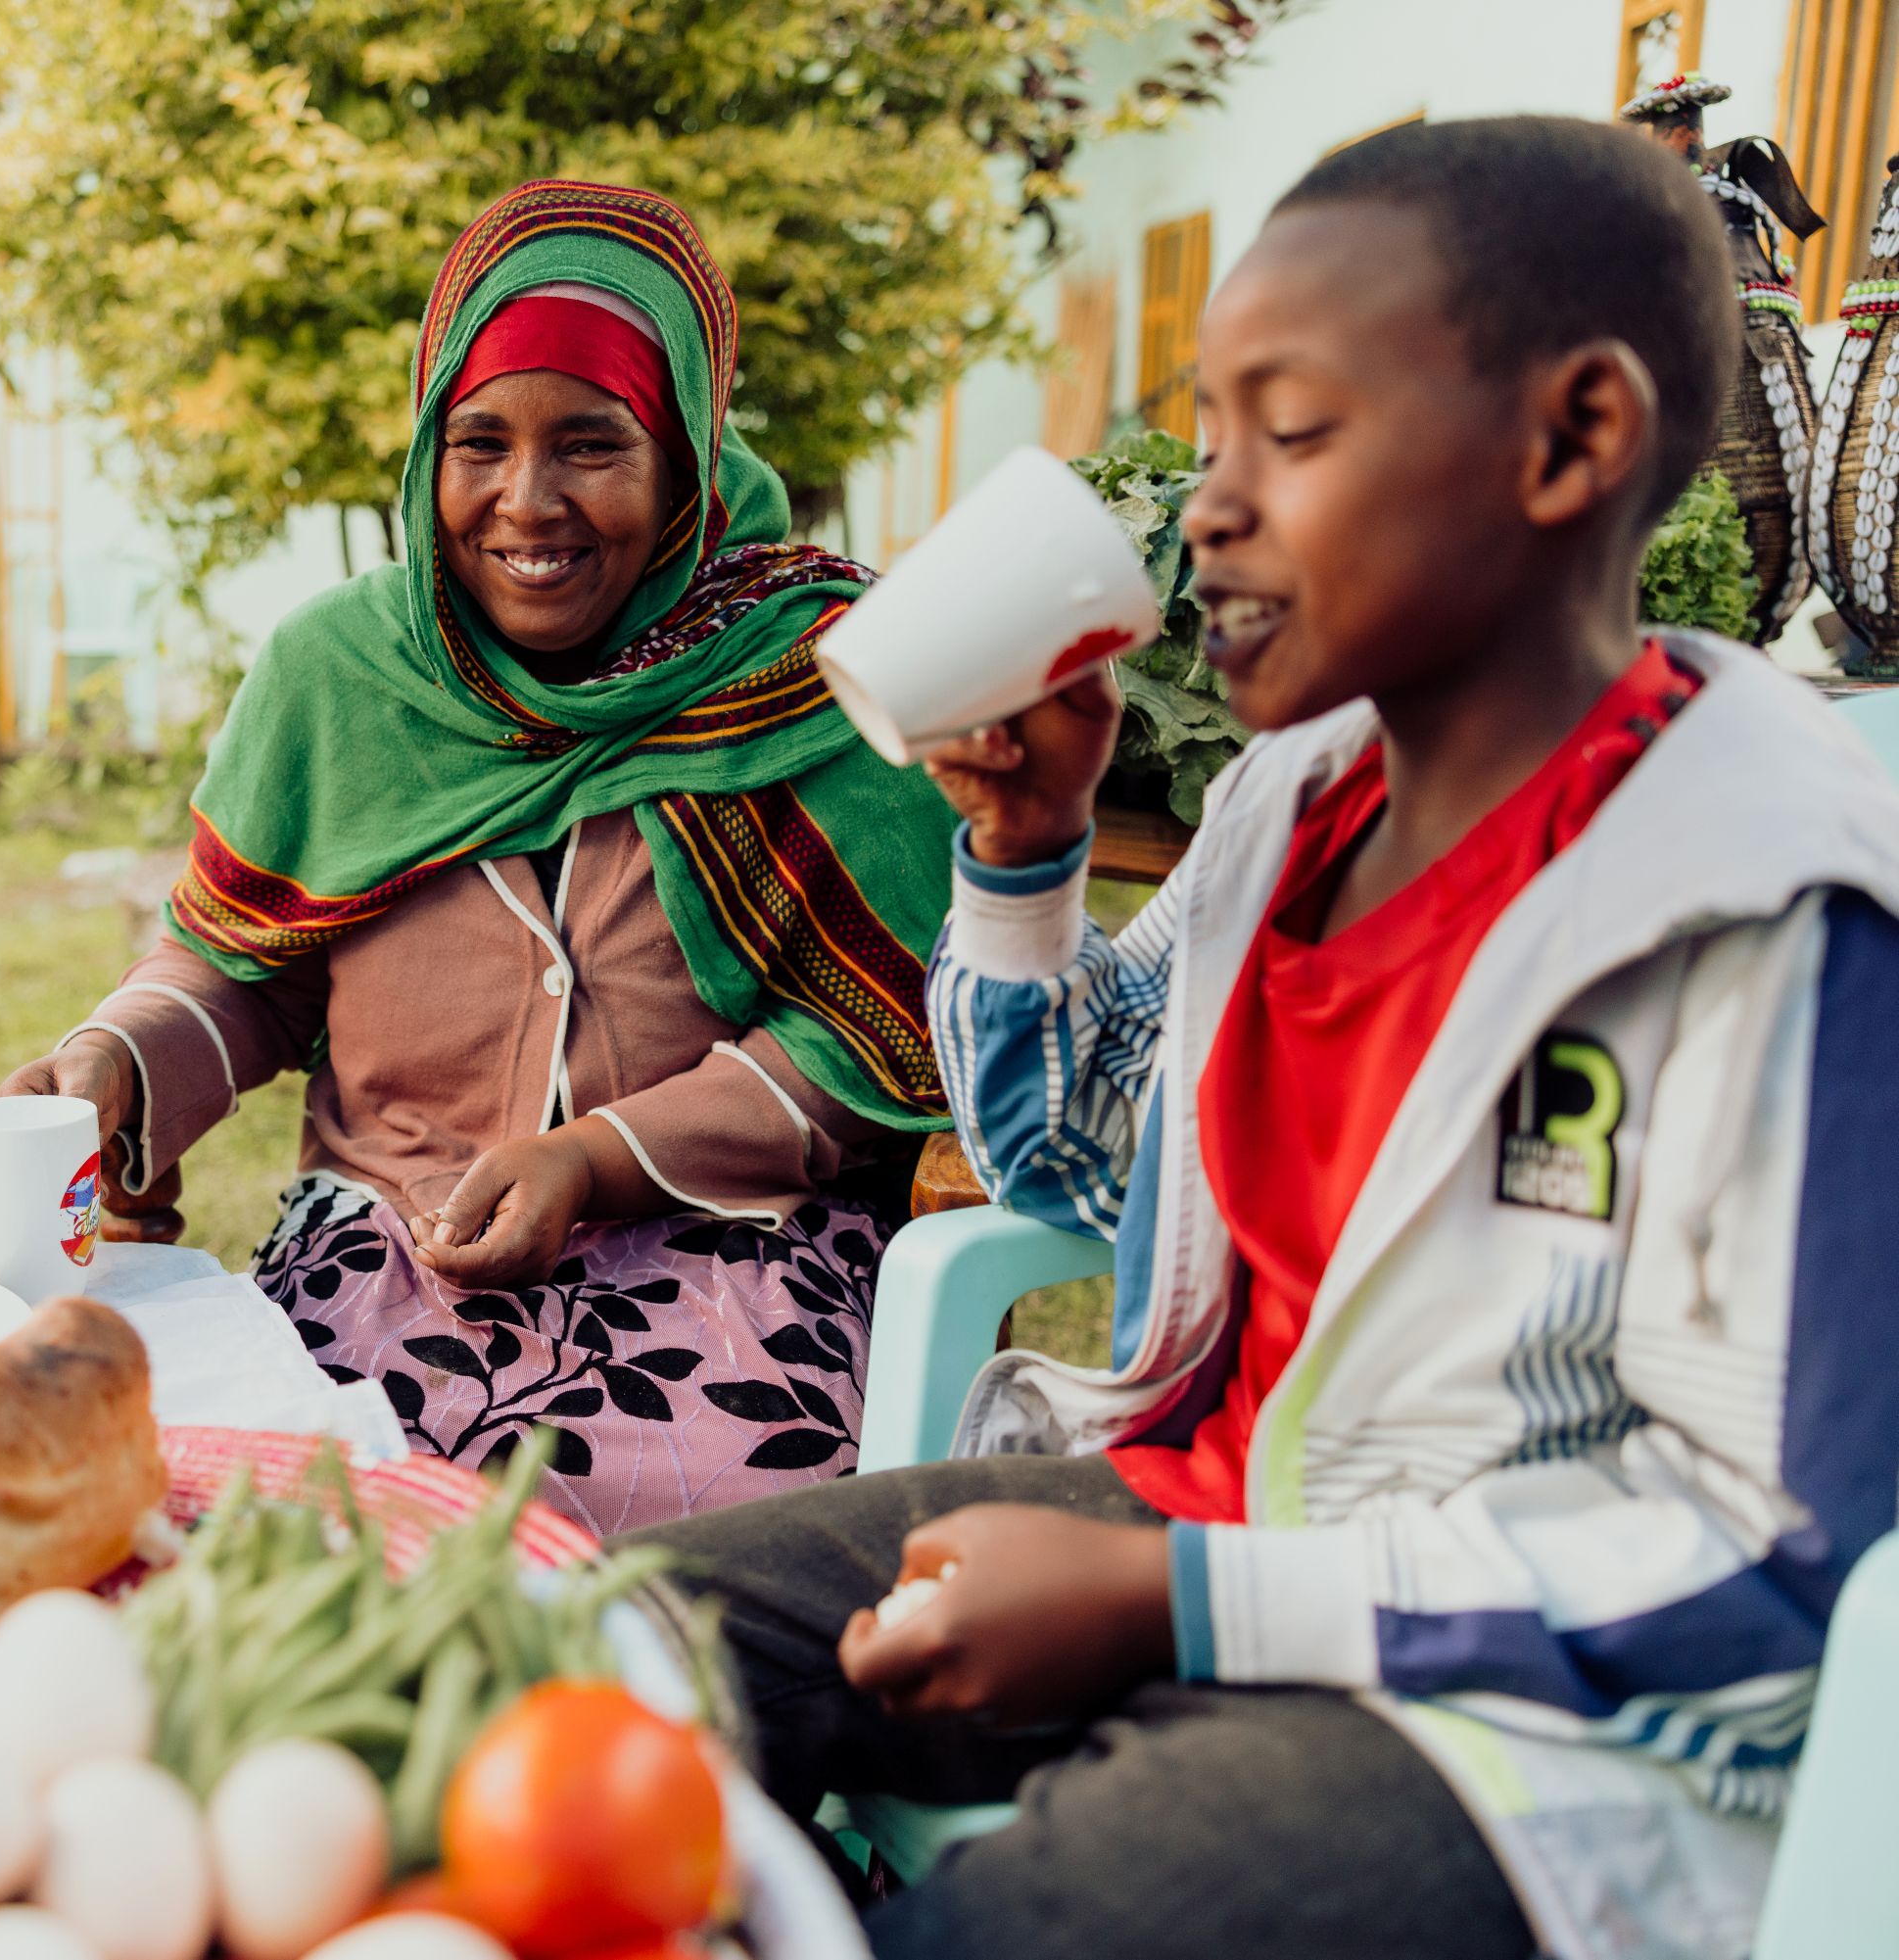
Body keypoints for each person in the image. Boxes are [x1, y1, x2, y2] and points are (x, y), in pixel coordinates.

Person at [629, 119, 1899, 1960]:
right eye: (1206, 435)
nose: (1204, 507)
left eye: (1288, 435)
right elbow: (1076, 1163)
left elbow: (1775, 1560)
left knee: (1022, 1922)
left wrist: (1187, 1608)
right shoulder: (1291, 805)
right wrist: (1025, 856)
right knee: (622, 1638)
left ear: (1574, 439)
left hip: (1531, 1732)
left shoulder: (1770, 912)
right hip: (1191, 1508)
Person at [2, 182, 960, 1534]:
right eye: (479, 442)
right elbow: (247, 967)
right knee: (242, 1499)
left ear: (682, 457)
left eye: (591, 445)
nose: (527, 501)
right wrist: (118, 1059)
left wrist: (597, 1158)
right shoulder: (338, 677)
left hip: (730, 1262)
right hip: (383, 1249)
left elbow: (878, 1033)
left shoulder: (811, 673)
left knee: (707, 1543)